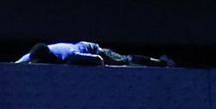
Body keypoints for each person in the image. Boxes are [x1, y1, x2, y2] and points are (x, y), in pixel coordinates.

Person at [16, 42, 171, 66]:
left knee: (126, 60)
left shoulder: (69, 55)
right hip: (81, 49)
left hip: (95, 50)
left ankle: (161, 62)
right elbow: (19, 64)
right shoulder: (32, 55)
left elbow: (98, 60)